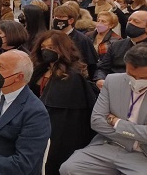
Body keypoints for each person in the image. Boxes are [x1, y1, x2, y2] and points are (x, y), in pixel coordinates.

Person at [60, 44, 147, 175]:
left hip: (145, 154)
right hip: (108, 145)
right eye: (131, 75)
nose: (136, 81)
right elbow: (96, 121)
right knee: (69, 168)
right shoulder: (113, 81)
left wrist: (117, 122)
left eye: (143, 78)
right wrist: (139, 135)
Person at [29, 31, 96, 175]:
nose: (46, 50)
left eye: (52, 48)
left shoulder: (72, 77)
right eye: (43, 47)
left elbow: (65, 118)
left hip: (59, 132)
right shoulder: (40, 69)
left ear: (63, 48)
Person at [94, 10, 147, 89]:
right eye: (129, 20)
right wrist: (100, 79)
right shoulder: (117, 45)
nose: (130, 23)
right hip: (112, 86)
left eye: (136, 22)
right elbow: (103, 68)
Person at [53, 5, 99, 78]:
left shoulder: (83, 40)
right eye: (55, 17)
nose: (57, 19)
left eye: (61, 17)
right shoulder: (50, 37)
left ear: (71, 20)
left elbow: (91, 64)